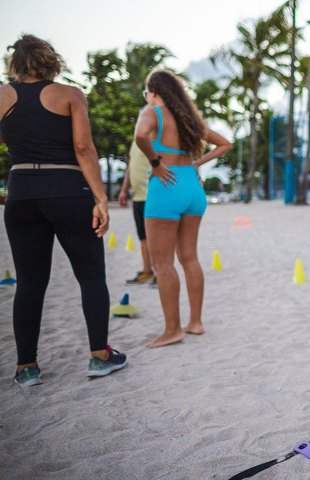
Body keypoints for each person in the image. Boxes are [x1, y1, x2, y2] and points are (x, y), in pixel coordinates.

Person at [0, 34, 127, 387]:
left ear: (16, 63)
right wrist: (100, 198)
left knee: (29, 283)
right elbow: (84, 148)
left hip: (21, 192)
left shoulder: (2, 95)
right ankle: (100, 356)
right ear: (49, 60)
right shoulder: (70, 94)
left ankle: (26, 367)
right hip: (68, 191)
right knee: (90, 276)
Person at [134, 69, 232, 348]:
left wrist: (154, 162)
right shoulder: (190, 120)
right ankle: (196, 322)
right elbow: (226, 144)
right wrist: (197, 165)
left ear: (154, 91)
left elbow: (141, 135)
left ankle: (172, 330)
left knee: (162, 263)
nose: (147, 98)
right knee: (189, 257)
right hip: (192, 188)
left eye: (147, 93)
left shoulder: (153, 112)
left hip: (166, 186)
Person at [118, 140, 154, 284]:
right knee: (143, 237)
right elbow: (131, 167)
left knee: (155, 238)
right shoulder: (135, 141)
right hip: (138, 197)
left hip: (151, 196)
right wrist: (124, 190)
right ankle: (147, 271)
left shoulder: (153, 138)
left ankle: (160, 274)